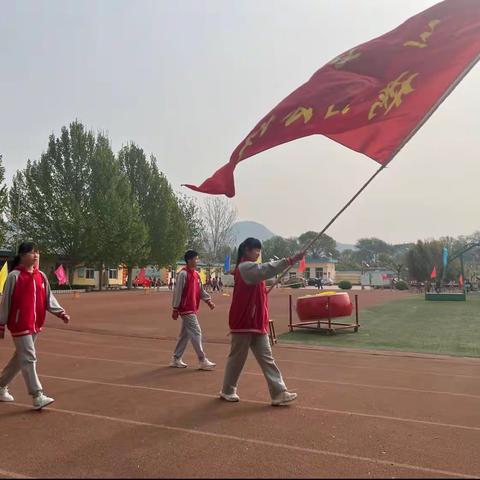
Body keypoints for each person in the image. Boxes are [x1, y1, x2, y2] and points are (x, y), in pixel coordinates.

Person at [220, 237, 304, 406]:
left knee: (267, 359)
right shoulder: (245, 267)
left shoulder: (252, 269)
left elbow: (266, 273)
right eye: (255, 250)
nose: (258, 253)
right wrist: (290, 260)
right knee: (237, 359)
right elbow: (267, 269)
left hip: (257, 322)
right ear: (246, 251)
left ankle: (279, 392)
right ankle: (228, 390)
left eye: (259, 250)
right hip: (244, 321)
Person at [0, 242, 70, 410]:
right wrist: (1, 323)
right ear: (22, 255)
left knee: (20, 359)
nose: (36, 255)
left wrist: (60, 313)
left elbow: (48, 298)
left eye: (37, 252)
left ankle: (0, 386)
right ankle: (37, 395)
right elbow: (6, 301)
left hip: (35, 324)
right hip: (19, 325)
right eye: (32, 252)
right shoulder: (14, 276)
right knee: (29, 357)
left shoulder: (41, 276)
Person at [170, 250, 216, 370]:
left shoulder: (196, 274)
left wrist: (208, 301)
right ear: (189, 260)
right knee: (196, 332)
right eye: (196, 258)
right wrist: (175, 308)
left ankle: (176, 358)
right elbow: (178, 292)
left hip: (192, 307)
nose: (197, 261)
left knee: (185, 335)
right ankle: (202, 359)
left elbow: (200, 290)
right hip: (186, 309)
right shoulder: (183, 274)